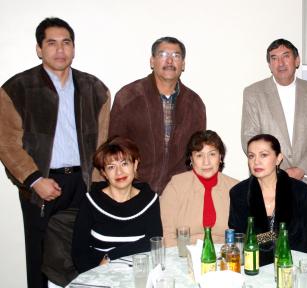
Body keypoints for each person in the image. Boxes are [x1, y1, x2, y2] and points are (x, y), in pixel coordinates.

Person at [0, 17, 110, 288]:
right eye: (52, 43)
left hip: (84, 183)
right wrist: (35, 180)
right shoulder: (17, 88)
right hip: (40, 184)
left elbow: (103, 143)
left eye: (66, 43)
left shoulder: (95, 89)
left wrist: (97, 185)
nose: (60, 50)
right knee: (39, 259)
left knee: (86, 255)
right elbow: (7, 143)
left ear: (73, 47)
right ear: (39, 49)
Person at [109, 36, 206, 195]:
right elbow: (114, 147)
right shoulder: (129, 96)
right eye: (163, 55)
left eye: (176, 56)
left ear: (183, 64)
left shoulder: (194, 104)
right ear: (152, 61)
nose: (169, 61)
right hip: (134, 190)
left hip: (177, 192)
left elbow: (197, 151)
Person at [241, 38, 307, 200]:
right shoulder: (253, 93)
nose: (280, 63)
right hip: (267, 183)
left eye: (285, 56)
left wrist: (302, 169)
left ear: (297, 60)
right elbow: (249, 138)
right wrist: (275, 172)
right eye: (274, 58)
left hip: (304, 183)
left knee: (303, 226)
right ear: (269, 65)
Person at [72, 137, 162, 273]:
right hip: (98, 272)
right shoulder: (91, 201)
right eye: (111, 167)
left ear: (135, 164)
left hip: (139, 272)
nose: (119, 172)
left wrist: (111, 256)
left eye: (124, 164)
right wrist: (97, 275)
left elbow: (153, 242)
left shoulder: (149, 200)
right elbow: (79, 252)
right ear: (104, 173)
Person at [229, 134, 307, 266]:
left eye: (264, 155)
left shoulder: (299, 190)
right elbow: (240, 239)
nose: (256, 161)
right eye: (251, 156)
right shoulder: (239, 193)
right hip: (254, 266)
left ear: (278, 159)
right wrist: (273, 235)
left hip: (294, 263)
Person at [160, 130, 238, 247]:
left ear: (220, 157)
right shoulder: (176, 185)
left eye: (212, 154)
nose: (206, 162)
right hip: (185, 256)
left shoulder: (236, 188)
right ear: (191, 159)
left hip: (226, 256)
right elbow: (168, 235)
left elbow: (243, 235)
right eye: (199, 155)